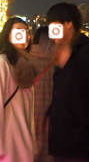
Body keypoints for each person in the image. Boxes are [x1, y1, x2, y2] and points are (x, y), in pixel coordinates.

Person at [46, 1, 89, 161]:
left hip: (79, 142)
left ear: (68, 24)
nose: (51, 32)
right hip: (61, 141)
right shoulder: (62, 52)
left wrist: (70, 63)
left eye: (54, 25)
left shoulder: (88, 51)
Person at [0, 17, 38, 162]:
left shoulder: (26, 64)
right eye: (18, 31)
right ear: (8, 36)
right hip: (5, 146)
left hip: (23, 140)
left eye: (26, 31)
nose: (24, 35)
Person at [31, 26, 56, 162]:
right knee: (48, 142)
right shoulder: (57, 58)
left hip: (32, 105)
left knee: (32, 141)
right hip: (52, 106)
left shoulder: (27, 57)